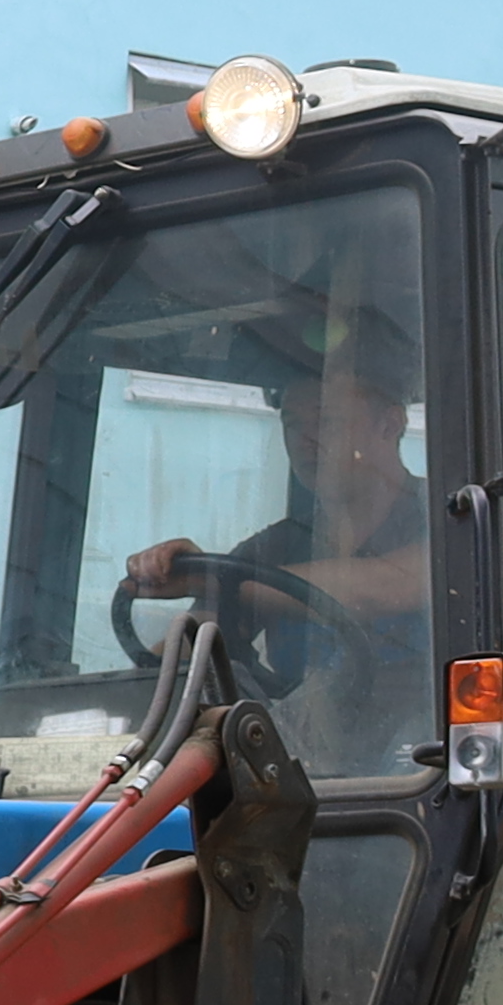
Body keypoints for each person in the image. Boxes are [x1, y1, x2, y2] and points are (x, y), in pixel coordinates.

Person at [120, 303, 434, 772]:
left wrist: (212, 578)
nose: (304, 439)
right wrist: (132, 692)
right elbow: (200, 641)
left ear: (389, 424)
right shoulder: (277, 546)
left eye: (324, 421)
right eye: (292, 424)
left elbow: (384, 587)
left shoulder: (453, 516)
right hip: (301, 768)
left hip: (430, 765)